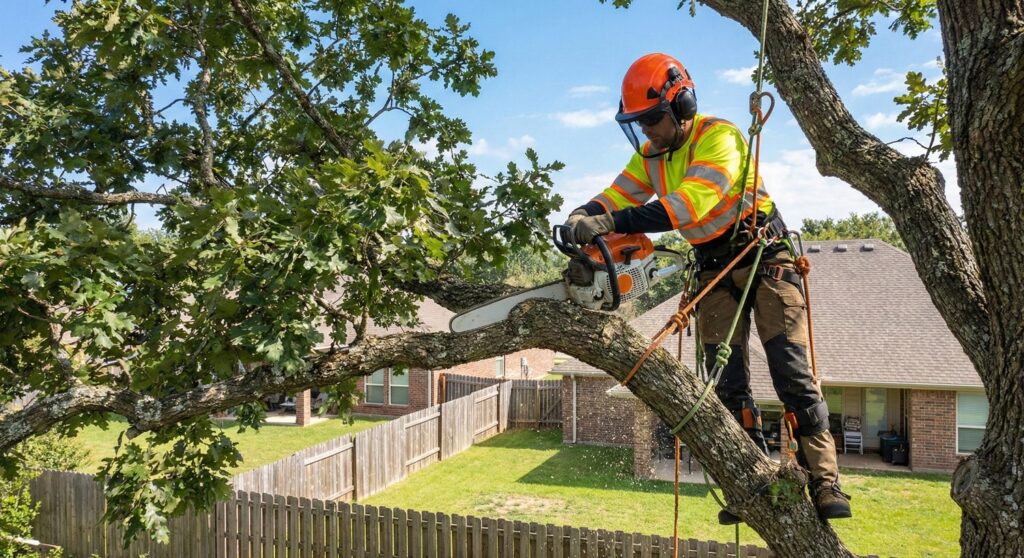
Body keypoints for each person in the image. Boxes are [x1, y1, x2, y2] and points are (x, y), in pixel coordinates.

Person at [566, 53, 851, 523]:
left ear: (682, 104)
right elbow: (618, 195)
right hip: (713, 267)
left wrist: (613, 220)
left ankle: (824, 480)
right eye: (639, 123)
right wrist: (583, 214)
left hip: (763, 255)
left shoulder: (720, 137)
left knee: (791, 372)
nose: (649, 132)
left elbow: (688, 205)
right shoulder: (650, 156)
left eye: (654, 119)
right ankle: (751, 480)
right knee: (725, 382)